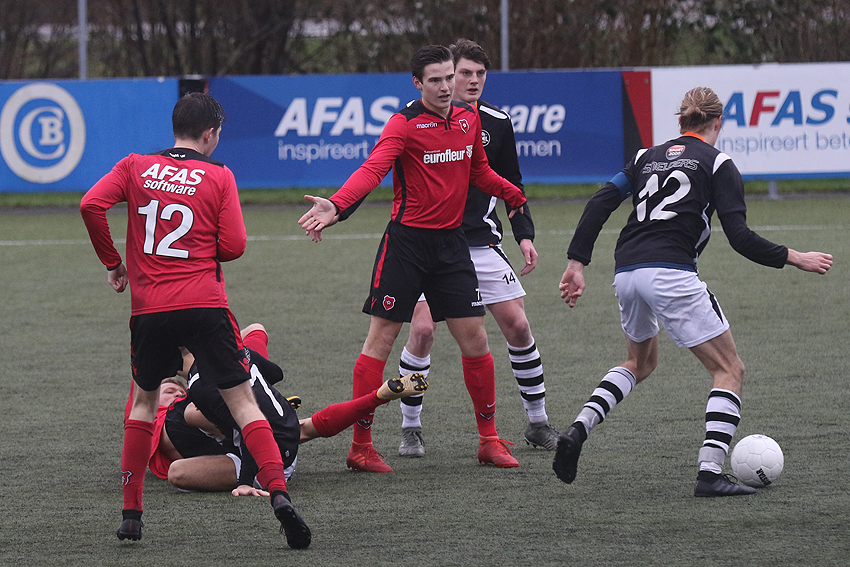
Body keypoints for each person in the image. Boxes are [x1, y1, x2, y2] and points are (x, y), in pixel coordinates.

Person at [552, 86, 833, 496]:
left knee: (638, 362)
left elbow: (600, 202)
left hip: (627, 271)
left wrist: (577, 262)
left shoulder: (643, 157)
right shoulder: (719, 163)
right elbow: (739, 237)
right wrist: (795, 257)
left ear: (680, 122)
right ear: (718, 123)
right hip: (671, 273)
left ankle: (577, 431)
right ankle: (709, 474)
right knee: (729, 370)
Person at [80, 92, 311, 549]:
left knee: (144, 406)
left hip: (150, 308)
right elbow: (235, 246)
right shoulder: (219, 174)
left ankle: (131, 515)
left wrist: (113, 262)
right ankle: (279, 495)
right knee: (244, 405)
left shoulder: (133, 165)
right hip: (205, 303)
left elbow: (91, 205)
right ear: (210, 134)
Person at [298, 45, 528, 472]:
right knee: (381, 341)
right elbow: (372, 169)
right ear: (418, 84)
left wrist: (510, 193)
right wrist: (338, 205)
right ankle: (361, 447)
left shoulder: (467, 118)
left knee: (476, 341)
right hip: (405, 246)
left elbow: (478, 171)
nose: (445, 87)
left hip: (452, 246)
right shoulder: (403, 125)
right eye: (436, 80)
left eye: (449, 77)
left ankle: (489, 440)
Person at [394, 38, 557, 458]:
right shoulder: (417, 122)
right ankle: (410, 427)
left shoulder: (496, 123)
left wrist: (524, 234)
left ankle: (537, 422)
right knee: (424, 330)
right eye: (462, 73)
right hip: (430, 245)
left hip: (481, 243)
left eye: (478, 74)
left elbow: (510, 184)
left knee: (519, 326)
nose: (469, 81)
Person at [163, 324, 428, 494]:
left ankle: (266, 472)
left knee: (179, 469)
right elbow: (273, 369)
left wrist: (245, 481)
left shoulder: (193, 395)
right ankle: (376, 397)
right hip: (283, 424)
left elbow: (247, 429)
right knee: (299, 426)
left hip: (263, 454)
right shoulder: (233, 350)